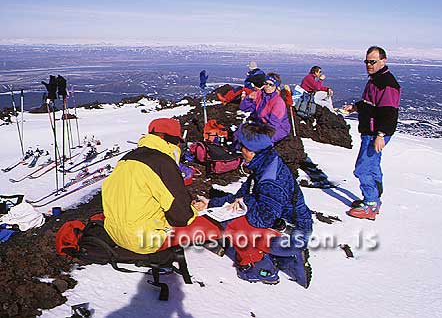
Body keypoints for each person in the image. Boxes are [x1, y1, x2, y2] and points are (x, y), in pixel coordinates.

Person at [193, 123, 313, 287]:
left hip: (292, 233)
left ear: (251, 151)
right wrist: (211, 203)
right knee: (236, 216)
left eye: (242, 146)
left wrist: (245, 202)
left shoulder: (270, 180)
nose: (239, 149)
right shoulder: (266, 163)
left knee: (235, 224)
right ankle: (274, 253)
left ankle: (261, 268)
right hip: (283, 225)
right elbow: (241, 197)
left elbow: (263, 218)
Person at [102, 118, 220, 254]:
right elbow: (182, 217)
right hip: (143, 240)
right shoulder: (163, 163)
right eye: (178, 141)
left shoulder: (126, 158)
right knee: (212, 225)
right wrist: (194, 209)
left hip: (114, 233)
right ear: (168, 140)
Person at [343, 46, 401, 220]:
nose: (368, 64)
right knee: (373, 165)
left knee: (362, 168)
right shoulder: (375, 80)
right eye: (367, 61)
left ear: (383, 61)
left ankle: (371, 203)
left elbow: (389, 112)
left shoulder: (387, 83)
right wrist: (355, 107)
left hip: (376, 132)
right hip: (371, 130)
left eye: (372, 61)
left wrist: (381, 135)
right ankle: (374, 199)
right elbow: (370, 104)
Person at [239, 73, 291, 143]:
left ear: (276, 86)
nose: (267, 86)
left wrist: (259, 131)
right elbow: (243, 108)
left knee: (259, 141)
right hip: (261, 124)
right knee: (240, 133)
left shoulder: (278, 102)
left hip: (278, 128)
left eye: (271, 85)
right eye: (266, 83)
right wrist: (248, 98)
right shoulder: (259, 94)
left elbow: (274, 125)